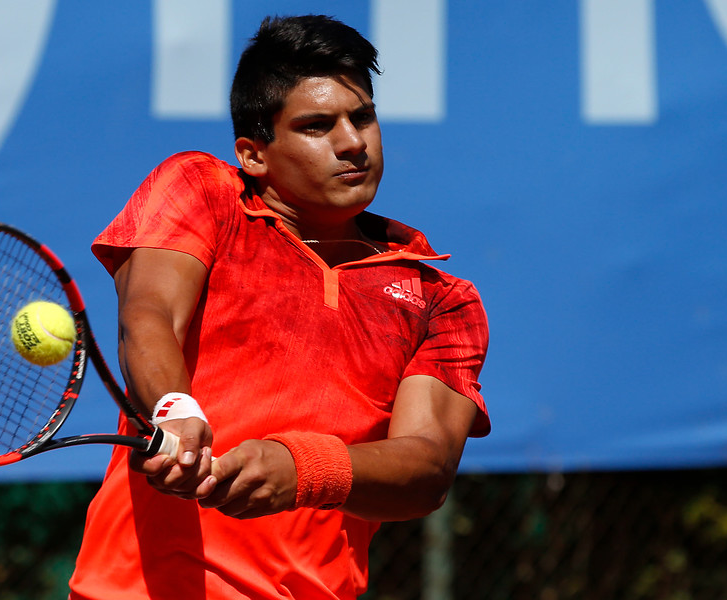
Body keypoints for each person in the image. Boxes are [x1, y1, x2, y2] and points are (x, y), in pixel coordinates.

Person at [69, 14, 490, 600]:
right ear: (254, 155)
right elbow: (150, 313)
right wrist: (174, 409)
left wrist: (305, 470)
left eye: (362, 117)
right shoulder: (202, 190)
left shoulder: (441, 300)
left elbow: (427, 469)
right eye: (317, 126)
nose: (353, 143)